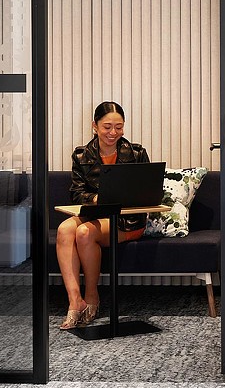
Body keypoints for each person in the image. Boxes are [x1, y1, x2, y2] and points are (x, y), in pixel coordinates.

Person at [55, 101, 150, 329]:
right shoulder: (81, 156)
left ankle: (92, 296)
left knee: (85, 233)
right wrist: (98, 199)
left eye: (119, 127)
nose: (113, 133)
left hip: (126, 220)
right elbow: (77, 195)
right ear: (94, 126)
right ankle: (75, 301)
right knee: (64, 229)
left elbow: (147, 192)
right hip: (96, 213)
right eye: (107, 127)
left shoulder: (136, 153)